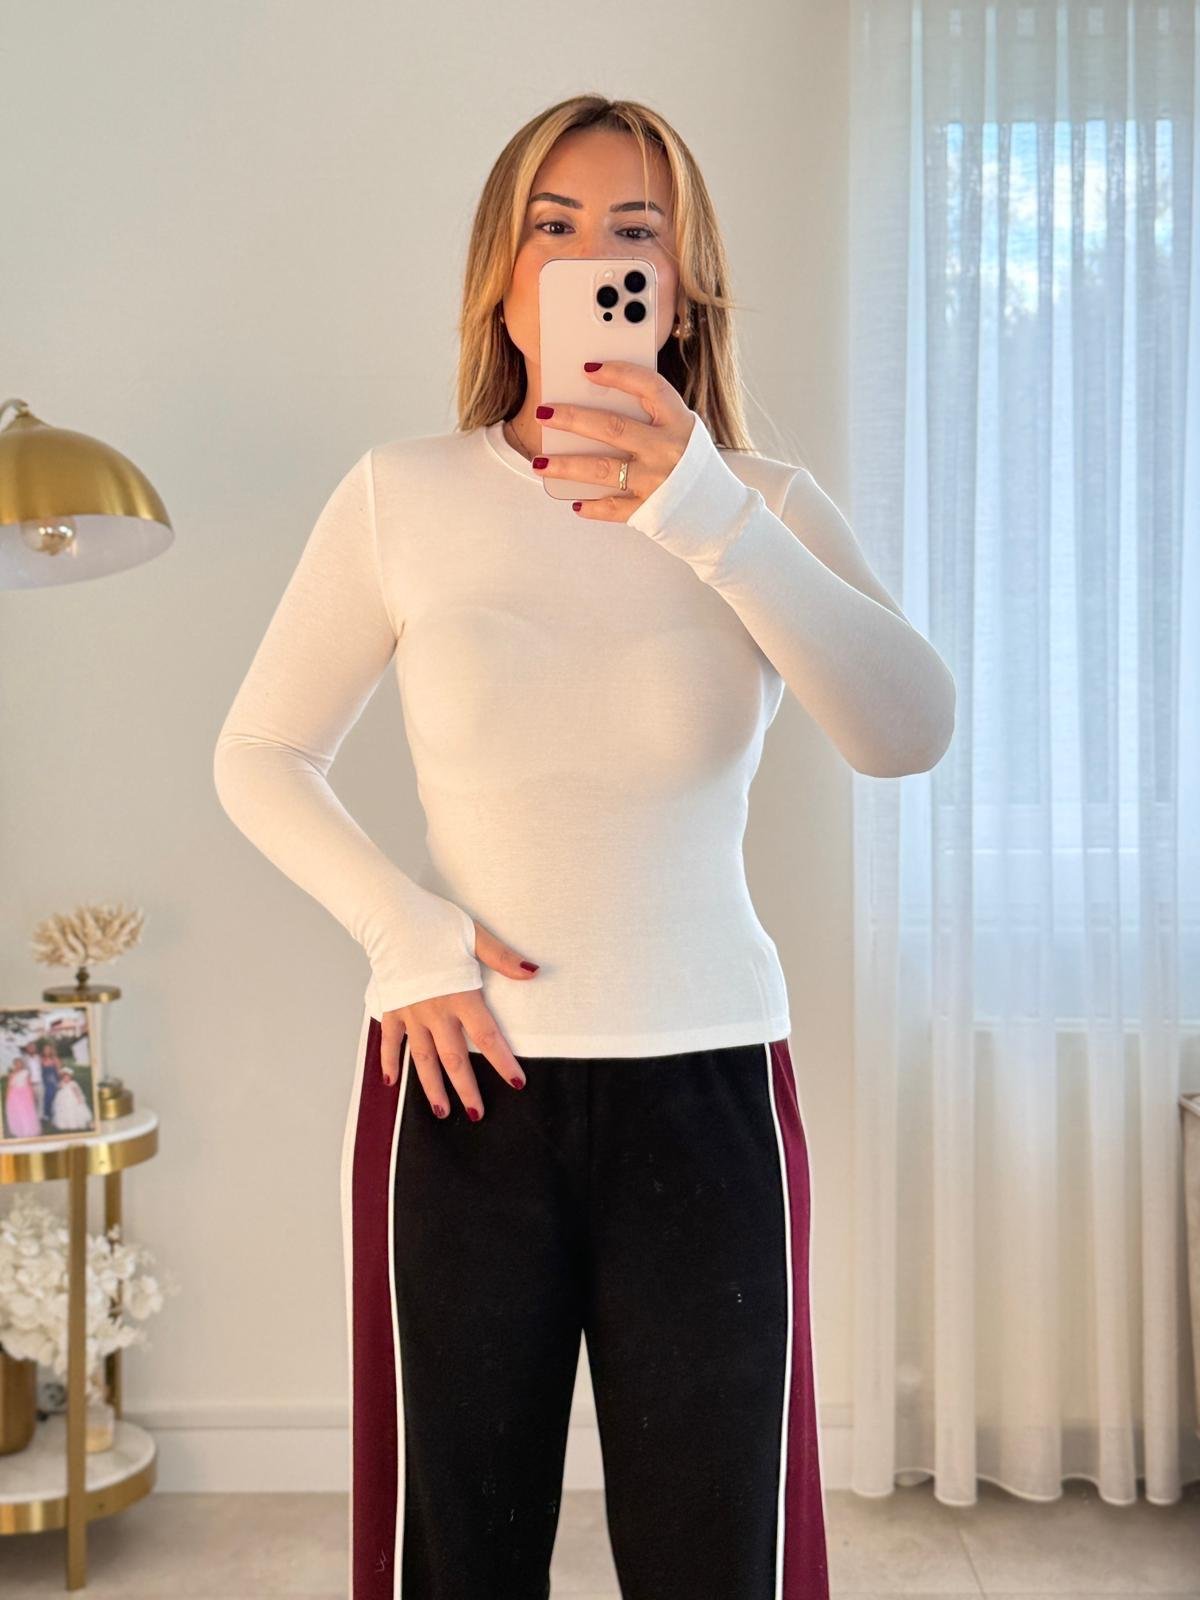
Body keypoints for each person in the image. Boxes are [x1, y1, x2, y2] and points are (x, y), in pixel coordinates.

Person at [213, 94, 955, 1600]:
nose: (592, 259)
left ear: (680, 290)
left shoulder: (762, 507)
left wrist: (707, 515)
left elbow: (907, 731)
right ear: (503, 280)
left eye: (635, 233)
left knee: (717, 1557)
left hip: (709, 1081)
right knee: (458, 1554)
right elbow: (261, 752)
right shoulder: (403, 495)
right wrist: (407, 936)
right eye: (552, 229)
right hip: (460, 1078)